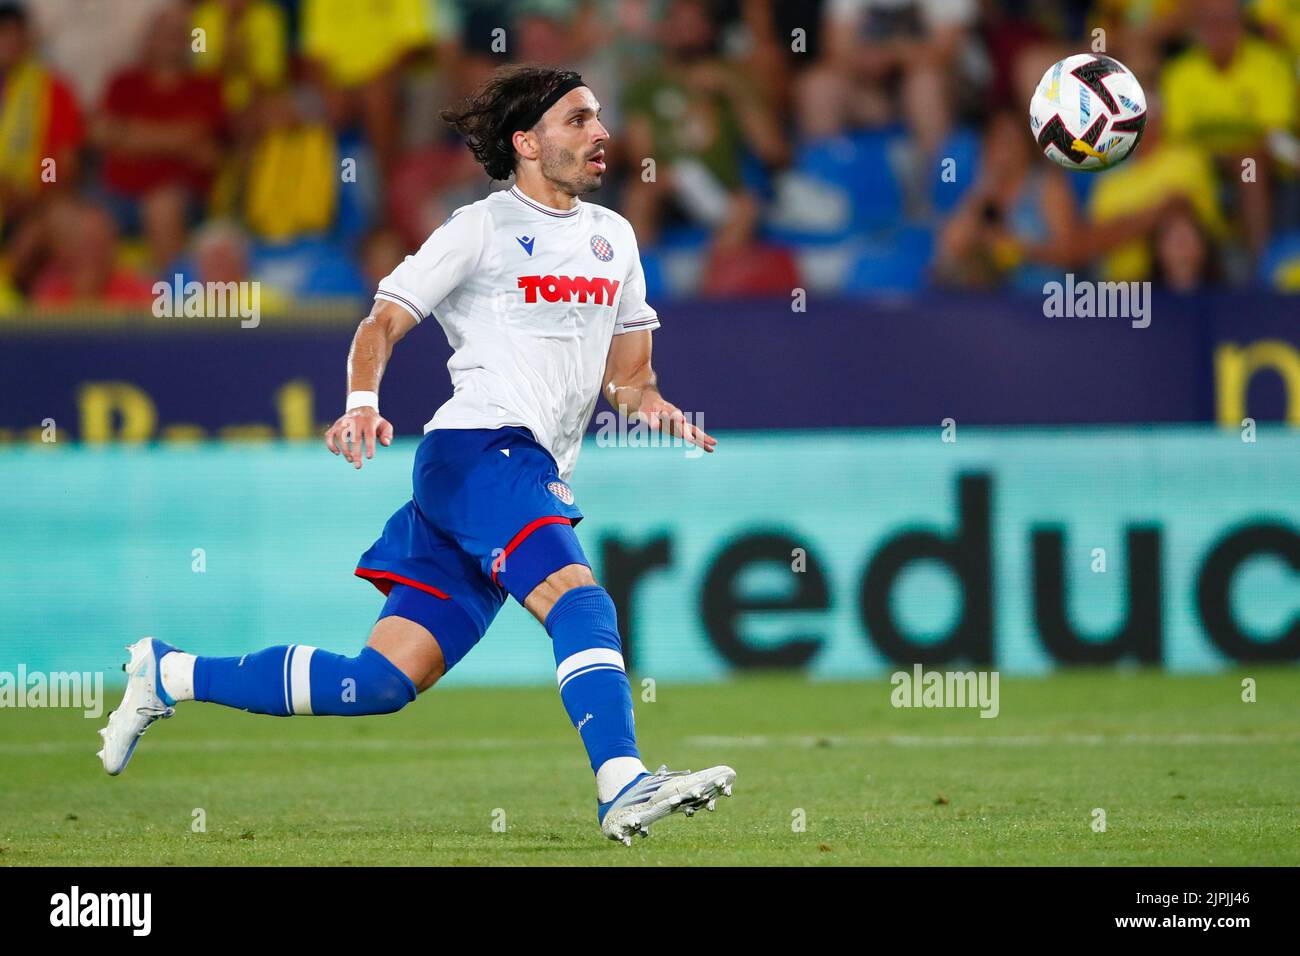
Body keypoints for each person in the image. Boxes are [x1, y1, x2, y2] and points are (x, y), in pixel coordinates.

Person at [98, 65, 735, 847]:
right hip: (481, 451)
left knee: (377, 683)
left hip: (504, 475)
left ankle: (168, 673)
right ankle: (621, 783)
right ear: (526, 142)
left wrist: (653, 406)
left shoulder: (615, 240)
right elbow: (382, 323)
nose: (601, 133)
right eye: (578, 120)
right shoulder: (480, 228)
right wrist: (363, 403)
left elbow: (628, 381)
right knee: (581, 599)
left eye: (598, 117)